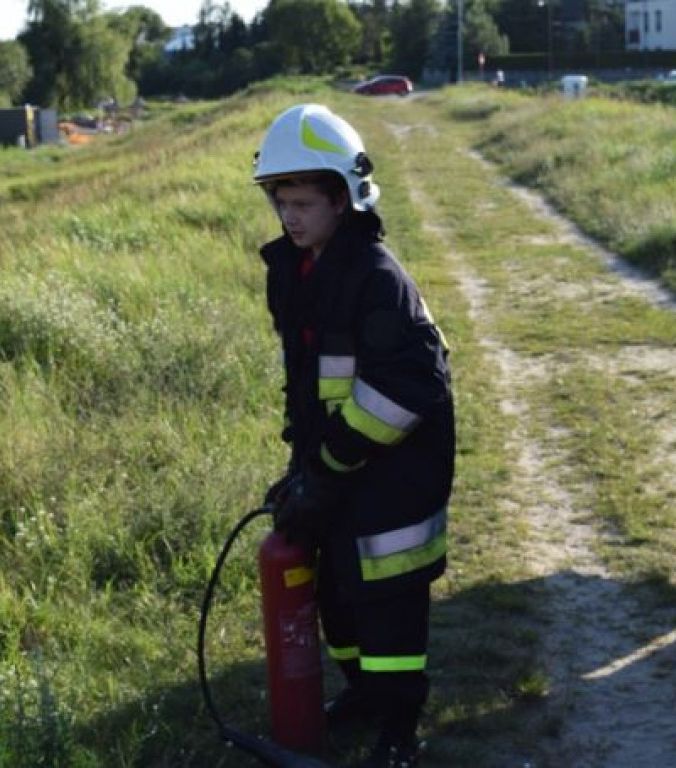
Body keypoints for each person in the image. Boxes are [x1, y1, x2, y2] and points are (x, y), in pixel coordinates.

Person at [253, 104, 455, 768]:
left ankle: (399, 729)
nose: (290, 217)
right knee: (336, 593)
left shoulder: (374, 277)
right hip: (336, 464)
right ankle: (365, 695)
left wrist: (328, 469)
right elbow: (312, 382)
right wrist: (303, 467)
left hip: (393, 473)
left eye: (305, 202)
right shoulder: (296, 268)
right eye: (282, 201)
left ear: (344, 199)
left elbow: (405, 389)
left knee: (388, 606)